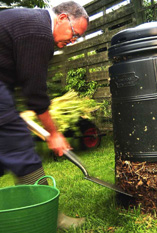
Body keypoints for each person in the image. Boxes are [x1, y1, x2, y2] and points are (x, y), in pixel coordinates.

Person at [0, 1, 89, 230]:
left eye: (77, 38)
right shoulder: (39, 32)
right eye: (74, 33)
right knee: (18, 145)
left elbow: (20, 79)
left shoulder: (34, 26)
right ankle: (50, 217)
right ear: (61, 19)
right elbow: (35, 93)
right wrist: (54, 134)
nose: (73, 41)